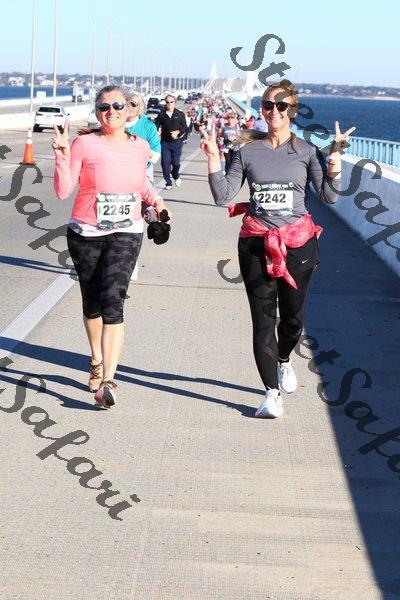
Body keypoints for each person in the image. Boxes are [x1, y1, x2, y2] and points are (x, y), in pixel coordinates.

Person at [201, 79, 355, 419]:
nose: (274, 111)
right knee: (262, 321)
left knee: (292, 320)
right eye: (268, 105)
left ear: (292, 111)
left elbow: (329, 196)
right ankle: (271, 393)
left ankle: (284, 359)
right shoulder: (247, 151)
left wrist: (335, 158)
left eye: (281, 105)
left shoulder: (307, 152)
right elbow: (223, 196)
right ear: (262, 109)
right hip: (256, 244)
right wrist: (213, 160)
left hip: (298, 245)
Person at [52, 85, 170, 409]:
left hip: (127, 231)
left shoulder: (140, 147)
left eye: (118, 105)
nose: (111, 112)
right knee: (91, 303)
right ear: (97, 111)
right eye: (104, 107)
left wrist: (157, 202)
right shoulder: (84, 144)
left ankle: (108, 381)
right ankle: (96, 359)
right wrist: (62, 156)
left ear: (129, 110)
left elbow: (141, 183)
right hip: (85, 232)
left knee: (113, 301)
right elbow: (63, 190)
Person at [155, 94, 188, 189]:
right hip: (165, 142)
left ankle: (175, 175)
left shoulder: (179, 114)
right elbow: (156, 125)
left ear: (175, 102)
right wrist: (157, 131)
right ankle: (168, 182)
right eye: (167, 102)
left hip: (177, 142)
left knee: (175, 163)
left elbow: (185, 127)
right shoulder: (161, 114)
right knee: (165, 163)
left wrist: (178, 132)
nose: (169, 104)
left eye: (171, 102)